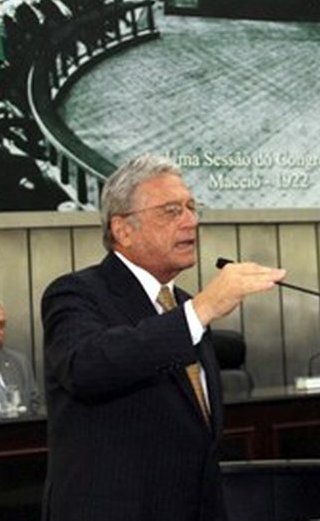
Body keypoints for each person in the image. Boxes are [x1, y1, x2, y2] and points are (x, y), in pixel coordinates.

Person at [40, 154, 285, 520]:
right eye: (171, 211)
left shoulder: (183, 306)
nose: (192, 221)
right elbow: (85, 366)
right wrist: (201, 311)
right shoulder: (76, 293)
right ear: (123, 229)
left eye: (191, 207)